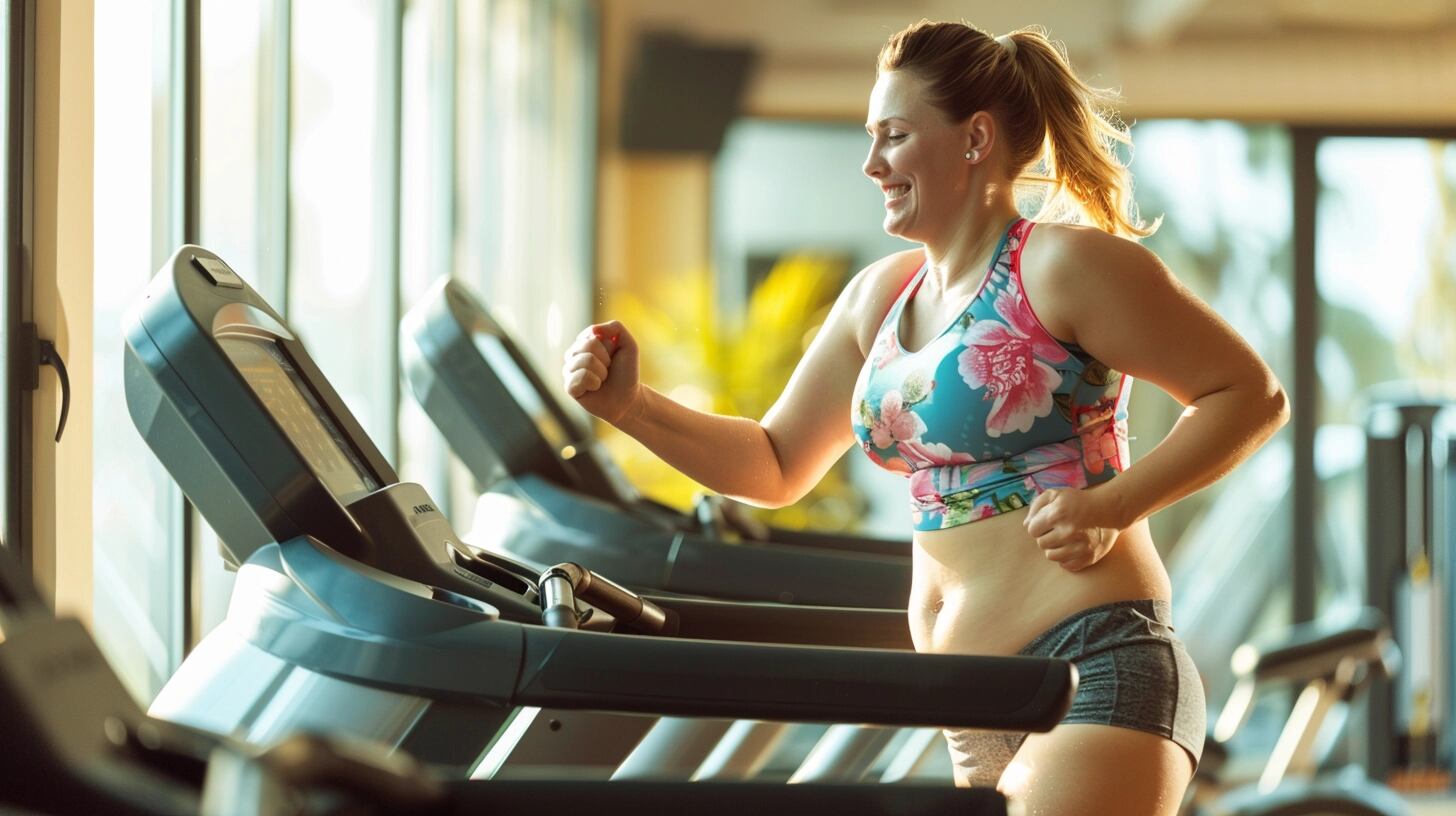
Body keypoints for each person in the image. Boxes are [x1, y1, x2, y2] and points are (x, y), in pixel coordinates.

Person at [563, 19, 1288, 816]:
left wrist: (1114, 505)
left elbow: (1250, 396)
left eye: (895, 137)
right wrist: (629, 407)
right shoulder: (879, 299)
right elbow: (774, 463)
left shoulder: (1062, 267)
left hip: (1094, 666)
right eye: (871, 139)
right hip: (970, 704)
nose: (871, 164)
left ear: (975, 138)